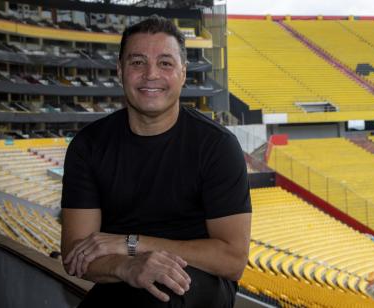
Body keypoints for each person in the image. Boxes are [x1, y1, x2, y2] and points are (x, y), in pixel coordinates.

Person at [61, 16, 251, 307]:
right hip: (121, 276)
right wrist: (127, 265)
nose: (151, 74)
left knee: (161, 298)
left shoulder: (217, 145)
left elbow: (232, 260)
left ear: (183, 73)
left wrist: (131, 244)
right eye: (137, 62)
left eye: (165, 63)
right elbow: (74, 254)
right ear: (120, 71)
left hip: (198, 278)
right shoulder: (88, 146)